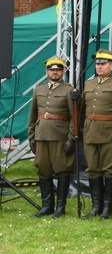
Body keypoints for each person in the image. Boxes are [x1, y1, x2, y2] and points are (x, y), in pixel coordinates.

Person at [80, 49, 112, 220]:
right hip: (91, 132)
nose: (100, 67)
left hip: (111, 132)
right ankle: (96, 206)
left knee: (110, 170)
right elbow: (82, 110)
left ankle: (108, 207)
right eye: (98, 64)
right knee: (93, 169)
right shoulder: (89, 83)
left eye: (103, 64)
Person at [27, 56, 77, 218]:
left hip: (60, 136)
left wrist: (71, 138)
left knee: (62, 169)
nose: (54, 72)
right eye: (51, 69)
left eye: (58, 70)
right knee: (43, 170)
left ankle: (60, 207)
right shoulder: (39, 90)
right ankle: (47, 205)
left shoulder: (70, 90)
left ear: (63, 71)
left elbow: (74, 117)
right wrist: (31, 136)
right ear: (47, 71)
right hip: (41, 135)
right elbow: (33, 115)